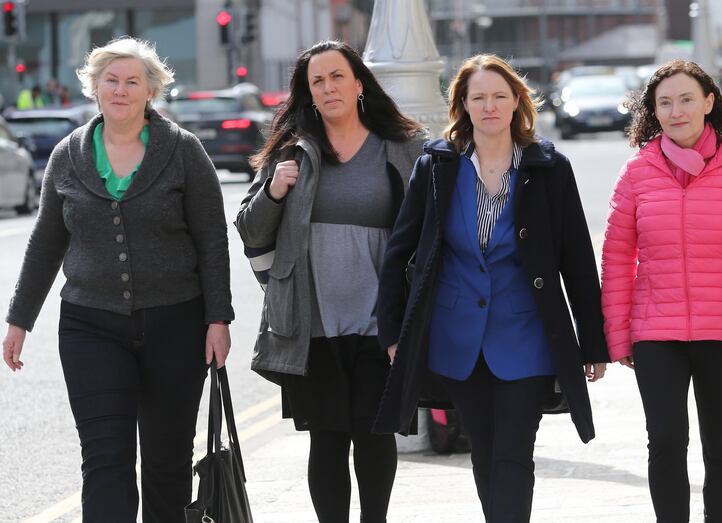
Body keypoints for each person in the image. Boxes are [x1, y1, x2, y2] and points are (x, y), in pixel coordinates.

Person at [1, 37, 233, 522]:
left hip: (175, 322)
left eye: (133, 82)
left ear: (151, 91)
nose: (121, 90)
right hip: (90, 325)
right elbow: (46, 241)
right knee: (105, 461)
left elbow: (212, 240)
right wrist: (19, 319)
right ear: (94, 88)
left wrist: (218, 319)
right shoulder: (68, 155)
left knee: (167, 463)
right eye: (112, 80)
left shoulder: (184, 151)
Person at [373, 54, 610, 522]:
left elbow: (578, 260)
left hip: (527, 337)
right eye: (477, 97)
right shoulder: (438, 165)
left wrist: (592, 343)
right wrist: (393, 332)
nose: (489, 106)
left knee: (514, 450)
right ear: (461, 104)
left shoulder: (549, 168)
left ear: (517, 101)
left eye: (499, 96)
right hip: (457, 339)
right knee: (484, 449)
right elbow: (400, 251)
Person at [236, 40, 424, 523]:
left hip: (380, 322)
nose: (328, 87)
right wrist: (275, 190)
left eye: (337, 76)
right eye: (317, 81)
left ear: (358, 83)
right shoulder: (292, 150)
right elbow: (251, 230)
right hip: (312, 321)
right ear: (308, 93)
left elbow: (432, 229)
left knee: (375, 434)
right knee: (328, 437)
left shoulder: (404, 147)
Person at [602, 60, 722, 522]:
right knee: (665, 440)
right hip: (656, 333)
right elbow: (616, 258)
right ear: (653, 111)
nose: (676, 110)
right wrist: (618, 332)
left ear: (709, 102)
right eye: (664, 102)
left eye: (686, 99)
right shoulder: (636, 173)